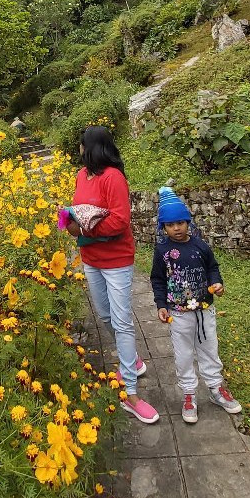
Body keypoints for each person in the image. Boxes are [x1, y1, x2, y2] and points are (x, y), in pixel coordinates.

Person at [67, 125, 159, 424]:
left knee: (122, 322)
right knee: (105, 316)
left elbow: (120, 220)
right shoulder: (82, 176)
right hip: (90, 257)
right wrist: (70, 219)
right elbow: (81, 209)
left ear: (91, 147)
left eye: (81, 145)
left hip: (117, 259)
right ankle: (132, 359)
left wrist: (84, 228)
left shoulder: (113, 177)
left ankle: (130, 395)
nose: (79, 150)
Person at [149, 186, 242, 424]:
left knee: (209, 349)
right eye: (170, 225)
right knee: (183, 354)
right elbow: (158, 279)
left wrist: (217, 283)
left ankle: (215, 388)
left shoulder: (200, 246)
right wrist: (161, 303)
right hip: (178, 314)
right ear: (163, 228)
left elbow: (213, 267)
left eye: (180, 222)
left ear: (188, 222)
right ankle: (189, 394)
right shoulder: (162, 251)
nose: (177, 228)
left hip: (204, 310)